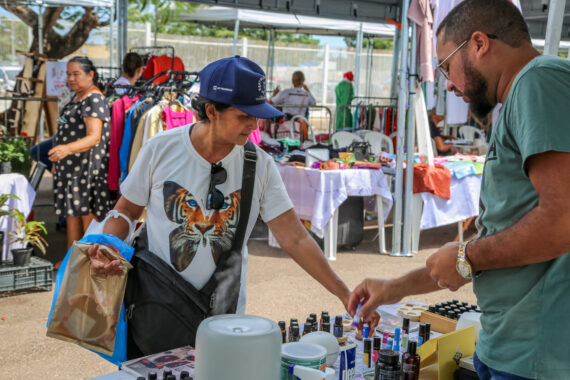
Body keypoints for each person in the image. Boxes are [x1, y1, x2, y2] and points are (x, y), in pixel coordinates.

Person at [348, 1, 570, 379]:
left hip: (536, 355)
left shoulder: (538, 80)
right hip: (511, 347)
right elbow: (506, 241)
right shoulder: (522, 93)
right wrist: (395, 287)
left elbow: (563, 220)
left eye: (446, 66)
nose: (448, 84)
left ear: (479, 43)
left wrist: (467, 256)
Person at [86, 56, 350, 354]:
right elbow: (126, 210)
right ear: (211, 111)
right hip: (153, 307)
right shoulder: (161, 148)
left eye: (257, 116)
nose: (253, 125)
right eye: (244, 116)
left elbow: (296, 237)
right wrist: (108, 246)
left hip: (223, 318)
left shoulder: (259, 165)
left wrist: (344, 292)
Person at [48, 57, 112, 250]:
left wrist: (66, 149)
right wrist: (57, 161)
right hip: (71, 168)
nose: (71, 78)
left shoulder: (93, 99)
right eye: (68, 74)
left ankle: (87, 264)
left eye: (76, 74)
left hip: (86, 170)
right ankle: (71, 259)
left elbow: (94, 137)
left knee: (88, 218)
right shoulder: (77, 97)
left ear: (90, 75)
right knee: (72, 213)